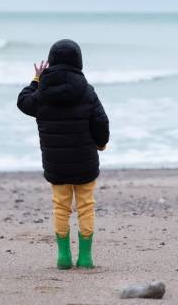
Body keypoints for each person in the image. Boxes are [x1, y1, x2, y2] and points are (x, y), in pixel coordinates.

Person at [17, 39, 110, 269]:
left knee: (61, 206)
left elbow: (23, 102)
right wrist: (101, 144)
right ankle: (86, 257)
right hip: (85, 162)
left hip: (55, 163)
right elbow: (101, 121)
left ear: (50, 62)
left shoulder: (42, 93)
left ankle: (63, 256)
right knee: (86, 206)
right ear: (79, 61)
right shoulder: (87, 90)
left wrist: (36, 79)